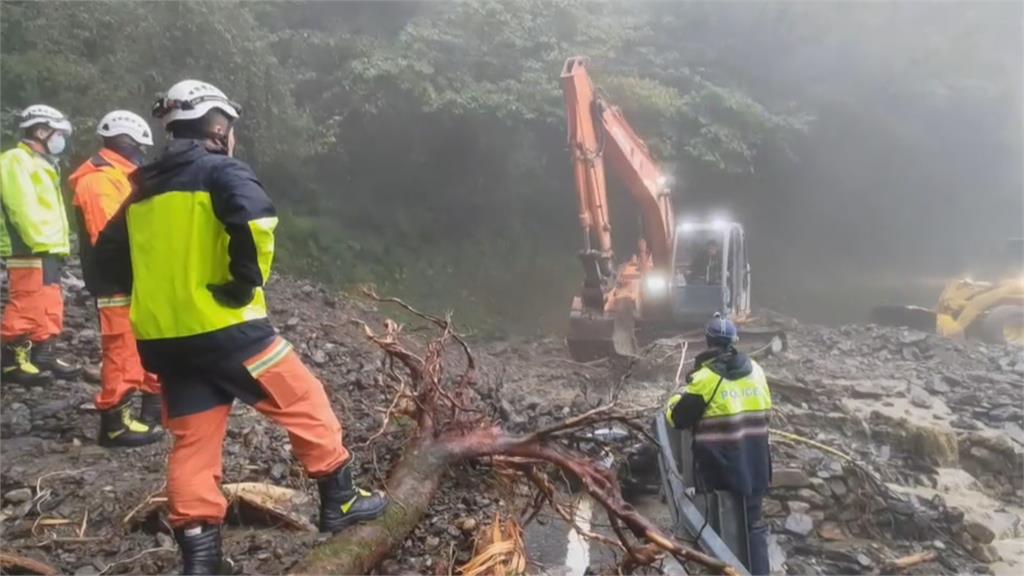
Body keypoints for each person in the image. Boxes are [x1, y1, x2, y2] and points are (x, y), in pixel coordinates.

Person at [95, 80, 387, 573]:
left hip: (165, 341)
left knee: (194, 443)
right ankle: (339, 500)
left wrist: (158, 297)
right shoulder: (219, 169)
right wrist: (243, 283)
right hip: (230, 330)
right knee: (305, 401)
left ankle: (201, 559)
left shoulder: (140, 192)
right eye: (227, 126)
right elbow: (254, 222)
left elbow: (107, 255)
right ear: (216, 126)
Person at [69, 110, 162, 447]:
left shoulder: (120, 176)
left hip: (134, 278)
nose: (141, 155)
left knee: (145, 343)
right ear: (126, 143)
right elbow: (108, 236)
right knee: (122, 350)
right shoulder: (98, 179)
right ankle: (115, 423)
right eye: (139, 148)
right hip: (115, 280)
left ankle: (152, 410)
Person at [665, 314, 772, 575]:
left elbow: (679, 419)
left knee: (719, 530)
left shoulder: (706, 378)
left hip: (720, 469)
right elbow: (766, 410)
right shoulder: (756, 370)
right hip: (756, 464)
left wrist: (672, 401)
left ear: (707, 340)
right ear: (734, 341)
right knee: (753, 525)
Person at [1, 105, 82, 383]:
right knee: (26, 301)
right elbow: (19, 204)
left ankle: (42, 355)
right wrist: (38, 240)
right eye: (58, 133)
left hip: (48, 247)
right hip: (29, 246)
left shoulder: (44, 163)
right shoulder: (16, 159)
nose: (61, 139)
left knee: (49, 301)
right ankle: (13, 361)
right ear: (41, 131)